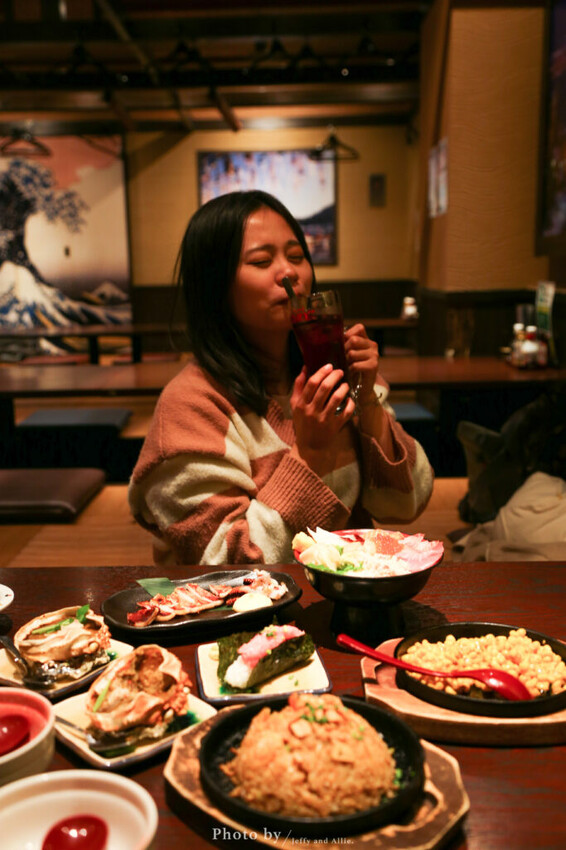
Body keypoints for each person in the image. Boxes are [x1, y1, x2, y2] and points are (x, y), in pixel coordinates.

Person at [128, 190, 434, 566]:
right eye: (260, 260)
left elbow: (407, 503)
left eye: (296, 256)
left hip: (348, 597)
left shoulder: (329, 375)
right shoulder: (191, 406)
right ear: (214, 286)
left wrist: (367, 399)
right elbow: (224, 564)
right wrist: (311, 452)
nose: (289, 272)